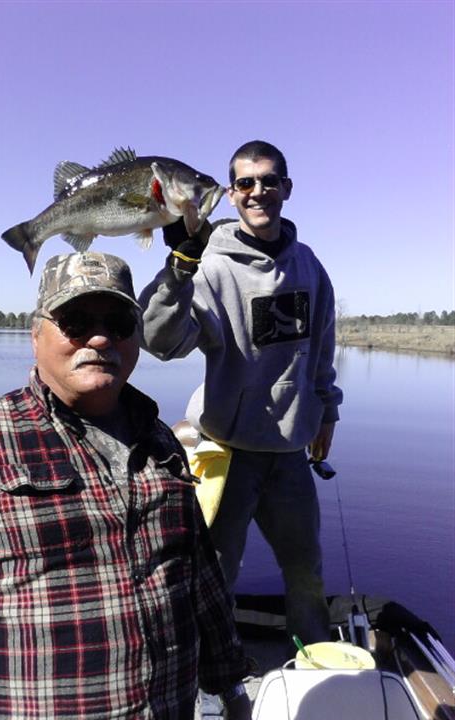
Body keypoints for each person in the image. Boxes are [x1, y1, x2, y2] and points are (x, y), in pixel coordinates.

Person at [0, 251, 252, 720]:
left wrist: (232, 688)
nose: (99, 338)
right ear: (36, 336)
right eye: (74, 321)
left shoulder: (162, 441)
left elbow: (201, 578)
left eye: (118, 322)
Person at [139, 140, 343, 651]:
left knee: (306, 571)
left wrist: (327, 412)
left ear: (286, 190)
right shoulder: (210, 265)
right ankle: (213, 678)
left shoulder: (310, 266)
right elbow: (163, 342)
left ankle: (317, 658)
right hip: (225, 454)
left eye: (269, 181)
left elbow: (321, 349)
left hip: (290, 456)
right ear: (230, 194)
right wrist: (177, 269)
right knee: (215, 574)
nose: (258, 192)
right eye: (246, 183)